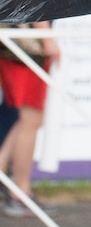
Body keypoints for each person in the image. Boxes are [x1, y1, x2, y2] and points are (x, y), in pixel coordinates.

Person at [0, 20, 58, 215]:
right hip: (26, 46)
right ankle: (20, 192)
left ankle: (17, 188)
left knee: (26, 119)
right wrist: (48, 38)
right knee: (30, 119)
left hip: (15, 41)